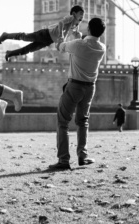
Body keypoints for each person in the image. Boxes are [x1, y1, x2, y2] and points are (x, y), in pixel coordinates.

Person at [48, 17, 106, 170]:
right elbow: (85, 47)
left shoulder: (78, 45)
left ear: (89, 29)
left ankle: (63, 160)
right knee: (82, 121)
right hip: (90, 88)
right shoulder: (102, 48)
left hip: (74, 86)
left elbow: (59, 46)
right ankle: (83, 155)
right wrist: (80, 38)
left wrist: (62, 30)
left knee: (63, 122)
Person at [0, 6, 85, 61]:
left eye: (83, 15)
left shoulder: (75, 25)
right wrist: (61, 36)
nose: (82, 16)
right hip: (45, 34)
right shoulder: (70, 18)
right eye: (81, 14)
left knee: (28, 50)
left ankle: (10, 53)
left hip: (48, 41)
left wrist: (76, 34)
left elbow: (71, 32)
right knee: (25, 37)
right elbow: (61, 23)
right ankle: (6, 35)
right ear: (74, 14)